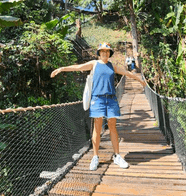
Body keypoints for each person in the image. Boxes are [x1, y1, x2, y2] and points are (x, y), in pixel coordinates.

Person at [50, 42, 146, 171]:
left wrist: (139, 80)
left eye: (107, 51)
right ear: (99, 53)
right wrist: (61, 69)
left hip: (111, 99)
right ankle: (95, 156)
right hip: (97, 99)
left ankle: (117, 156)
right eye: (102, 51)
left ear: (109, 53)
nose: (105, 53)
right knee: (97, 126)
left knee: (112, 126)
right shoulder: (94, 64)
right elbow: (78, 67)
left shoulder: (113, 66)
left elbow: (127, 73)